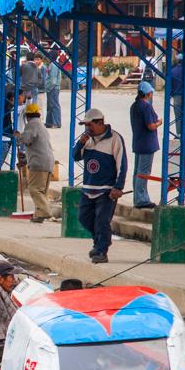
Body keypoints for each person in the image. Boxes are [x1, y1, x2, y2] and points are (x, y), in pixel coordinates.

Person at [72, 108, 127, 264]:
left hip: (106, 190)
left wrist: (118, 186)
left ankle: (101, 250)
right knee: (84, 218)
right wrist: (80, 143)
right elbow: (76, 157)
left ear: (100, 123)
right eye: (86, 125)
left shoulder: (115, 139)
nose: (88, 128)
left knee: (102, 221)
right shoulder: (87, 139)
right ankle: (100, 242)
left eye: (90, 125)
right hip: (88, 188)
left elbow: (122, 164)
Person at [17, 103, 55, 222]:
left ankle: (45, 212)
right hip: (48, 162)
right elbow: (36, 146)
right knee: (42, 191)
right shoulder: (41, 125)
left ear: (27, 115)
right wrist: (24, 160)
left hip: (38, 163)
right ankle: (39, 216)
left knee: (34, 189)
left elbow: (27, 139)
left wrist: (19, 136)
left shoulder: (32, 124)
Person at [129, 81, 162, 209]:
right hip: (147, 144)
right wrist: (159, 123)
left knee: (137, 172)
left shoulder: (134, 106)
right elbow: (150, 125)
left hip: (138, 142)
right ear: (148, 94)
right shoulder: (146, 106)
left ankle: (138, 197)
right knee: (143, 172)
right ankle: (141, 199)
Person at [44, 56, 62, 128]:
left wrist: (48, 88)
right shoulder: (53, 64)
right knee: (50, 106)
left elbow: (53, 80)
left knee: (54, 106)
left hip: (53, 88)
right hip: (52, 88)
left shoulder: (54, 66)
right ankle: (49, 122)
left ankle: (56, 123)